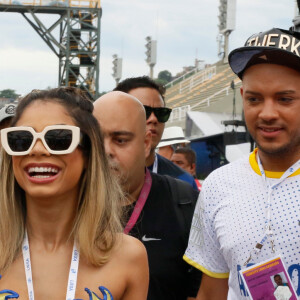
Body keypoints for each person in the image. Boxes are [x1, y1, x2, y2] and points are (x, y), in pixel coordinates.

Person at [184, 27, 300, 299]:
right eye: (254, 99)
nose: (267, 113)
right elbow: (211, 292)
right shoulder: (218, 185)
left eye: (285, 99)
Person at [0, 87, 148, 299]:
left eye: (59, 138)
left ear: (88, 153)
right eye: (21, 139)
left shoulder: (128, 257)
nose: (38, 149)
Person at [93, 91, 202, 300]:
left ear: (145, 144)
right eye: (96, 140)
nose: (106, 150)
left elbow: (199, 292)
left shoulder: (183, 202)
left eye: (121, 140)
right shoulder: (66, 204)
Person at [114, 76, 198, 190]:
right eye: (143, 111)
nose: (153, 119)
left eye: (161, 113)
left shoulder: (183, 182)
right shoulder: (92, 174)